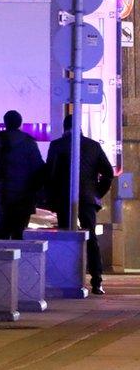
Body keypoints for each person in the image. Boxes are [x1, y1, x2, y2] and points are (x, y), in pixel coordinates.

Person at [44, 115, 114, 295]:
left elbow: (49, 175)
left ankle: (65, 279)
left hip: (63, 199)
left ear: (64, 128)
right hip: (88, 200)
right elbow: (108, 173)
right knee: (91, 238)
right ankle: (97, 281)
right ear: (80, 128)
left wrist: (49, 197)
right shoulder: (93, 146)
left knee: (65, 238)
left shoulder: (57, 146)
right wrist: (97, 193)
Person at [0, 110, 45, 240]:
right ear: (20, 123)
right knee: (19, 235)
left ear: (5, 123)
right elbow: (39, 170)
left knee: (2, 236)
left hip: (2, 197)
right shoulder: (29, 143)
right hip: (24, 198)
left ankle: (1, 260)